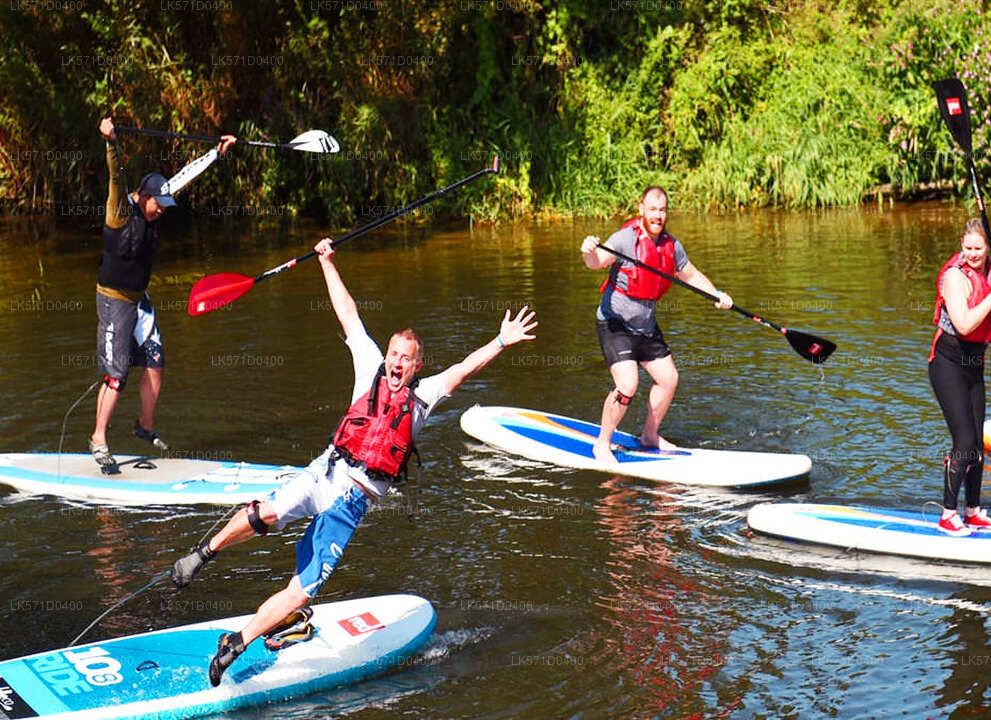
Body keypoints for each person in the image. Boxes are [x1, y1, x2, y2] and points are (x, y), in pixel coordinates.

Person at [169, 237, 537, 687]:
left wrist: (501, 339)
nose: (397, 362)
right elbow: (348, 313)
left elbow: (465, 368)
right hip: (324, 470)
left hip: (351, 504)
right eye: (394, 354)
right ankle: (202, 554)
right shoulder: (369, 365)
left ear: (418, 365)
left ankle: (236, 642)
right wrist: (327, 262)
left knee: (302, 588)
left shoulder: (424, 397)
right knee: (266, 512)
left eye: (406, 358)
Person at [91, 117, 237, 466]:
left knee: (155, 363)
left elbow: (183, 178)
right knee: (117, 375)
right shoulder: (120, 212)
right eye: (156, 204)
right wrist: (111, 142)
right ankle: (98, 438)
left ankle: (144, 426)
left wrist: (216, 153)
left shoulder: (159, 202)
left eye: (164, 206)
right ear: (142, 197)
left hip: (140, 300)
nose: (160, 211)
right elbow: (116, 176)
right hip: (114, 300)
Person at [578, 185, 733, 463]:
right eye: (652, 209)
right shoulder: (625, 239)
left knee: (669, 378)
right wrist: (588, 251)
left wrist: (717, 294)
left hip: (645, 328)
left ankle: (650, 435)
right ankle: (602, 443)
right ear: (641, 210)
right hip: (615, 325)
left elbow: (691, 275)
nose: (657, 215)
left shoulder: (672, 246)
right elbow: (597, 261)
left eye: (662, 210)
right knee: (628, 384)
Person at [928, 218, 991, 536]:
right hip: (946, 365)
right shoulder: (955, 277)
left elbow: (987, 325)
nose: (971, 254)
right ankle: (947, 514)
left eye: (978, 248)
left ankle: (974, 511)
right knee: (964, 442)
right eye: (966, 248)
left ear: (988, 248)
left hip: (973, 365)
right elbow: (965, 325)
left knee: (978, 444)